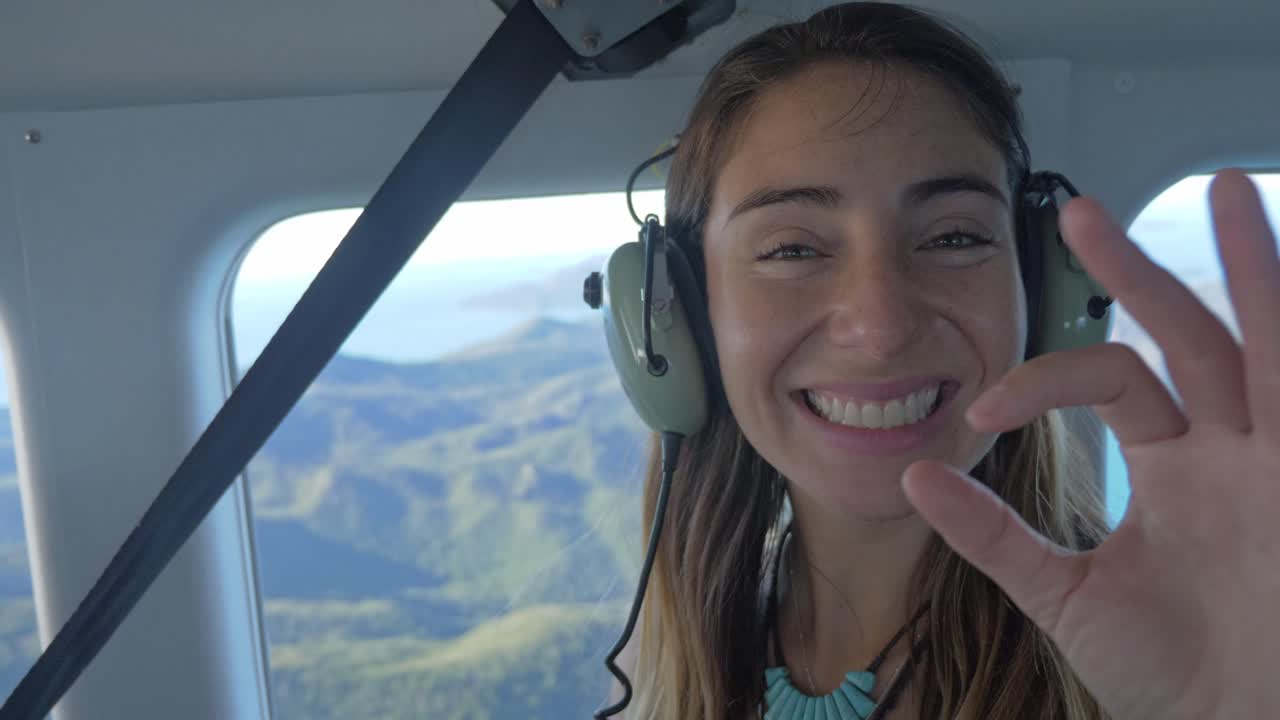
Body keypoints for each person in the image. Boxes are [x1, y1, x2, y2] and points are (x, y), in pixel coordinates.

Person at [605, 3, 1280, 719]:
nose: (882, 325)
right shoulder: (697, 655)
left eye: (954, 238)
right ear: (682, 313)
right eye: (792, 249)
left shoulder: (1158, 647)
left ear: (1040, 288)